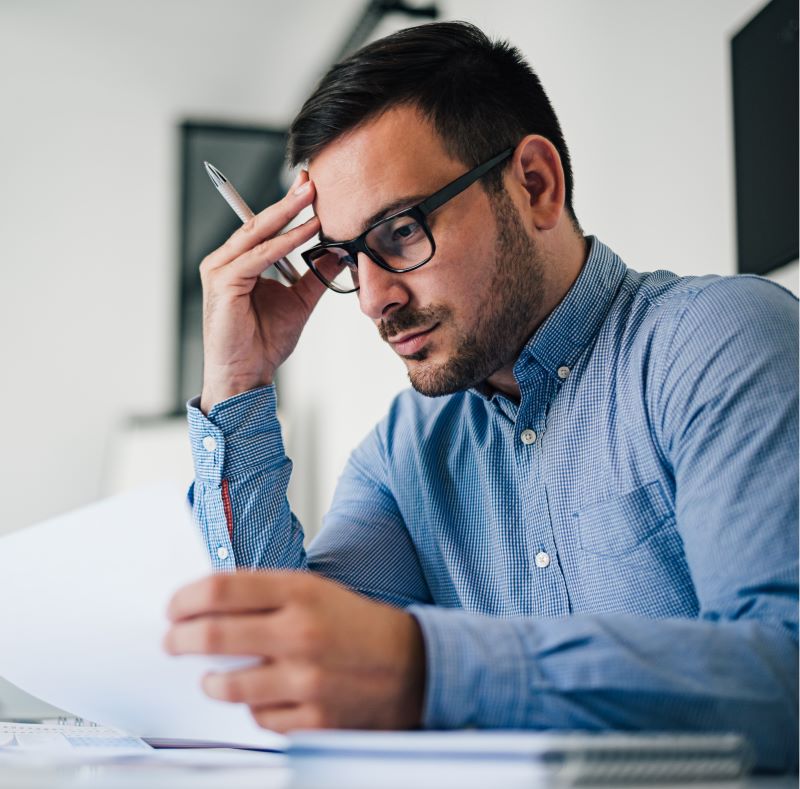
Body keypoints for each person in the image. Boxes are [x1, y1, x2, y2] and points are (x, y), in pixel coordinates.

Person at [163, 21, 798, 772]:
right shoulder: (403, 452)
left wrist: (433, 667)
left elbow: (785, 670)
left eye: (400, 231)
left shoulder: (720, 342)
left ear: (534, 184)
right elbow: (281, 679)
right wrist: (239, 384)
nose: (372, 300)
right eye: (345, 258)